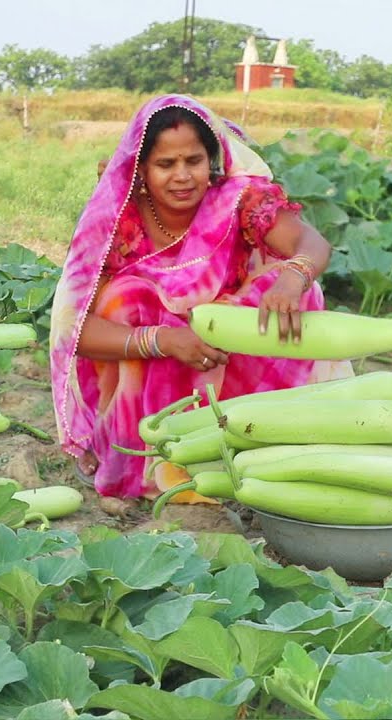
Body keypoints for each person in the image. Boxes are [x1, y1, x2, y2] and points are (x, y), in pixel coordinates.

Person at [49, 94, 352, 498]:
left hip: (230, 361)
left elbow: (308, 243)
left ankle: (256, 437)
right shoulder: (118, 222)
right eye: (165, 164)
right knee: (123, 296)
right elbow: (78, 332)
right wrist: (163, 340)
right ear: (141, 168)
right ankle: (147, 454)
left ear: (211, 160)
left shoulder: (239, 201)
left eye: (193, 161)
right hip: (149, 369)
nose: (182, 176)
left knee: (298, 284)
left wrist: (293, 276)